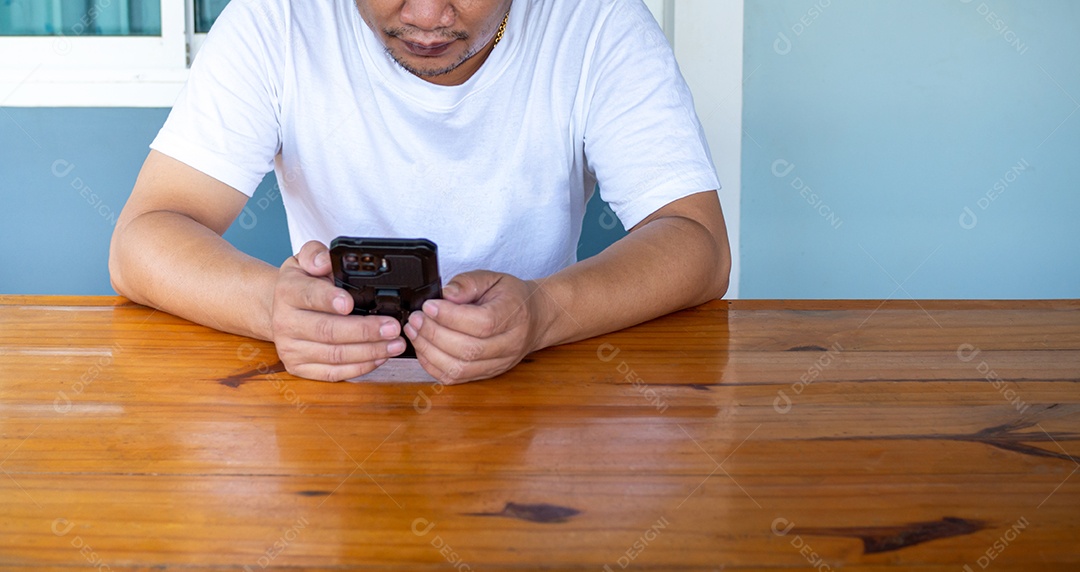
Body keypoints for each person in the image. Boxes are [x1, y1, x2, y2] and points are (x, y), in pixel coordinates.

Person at [108, 0, 732, 384]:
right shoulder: (276, 19)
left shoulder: (600, 22)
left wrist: (543, 313)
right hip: (331, 400)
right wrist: (269, 304)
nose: (427, 16)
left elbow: (698, 245)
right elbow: (143, 239)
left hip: (535, 390)